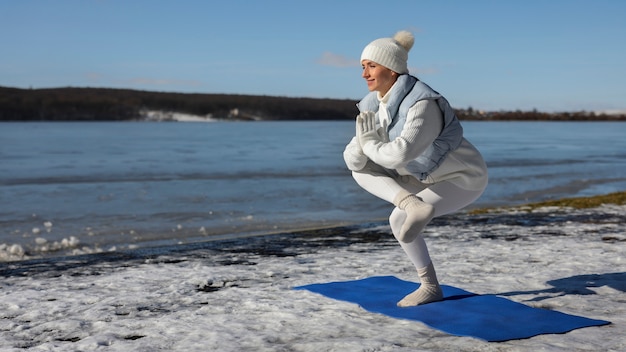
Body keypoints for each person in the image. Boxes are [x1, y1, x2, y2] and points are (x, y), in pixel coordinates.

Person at [343, 30, 488, 307]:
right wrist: (364, 143)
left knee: (397, 221)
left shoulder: (422, 104)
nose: (364, 74)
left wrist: (369, 143)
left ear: (393, 69)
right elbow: (353, 160)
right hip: (422, 176)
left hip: (463, 178)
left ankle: (430, 287)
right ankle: (411, 203)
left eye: (371, 65)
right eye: (363, 67)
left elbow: (400, 154)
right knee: (360, 170)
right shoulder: (374, 106)